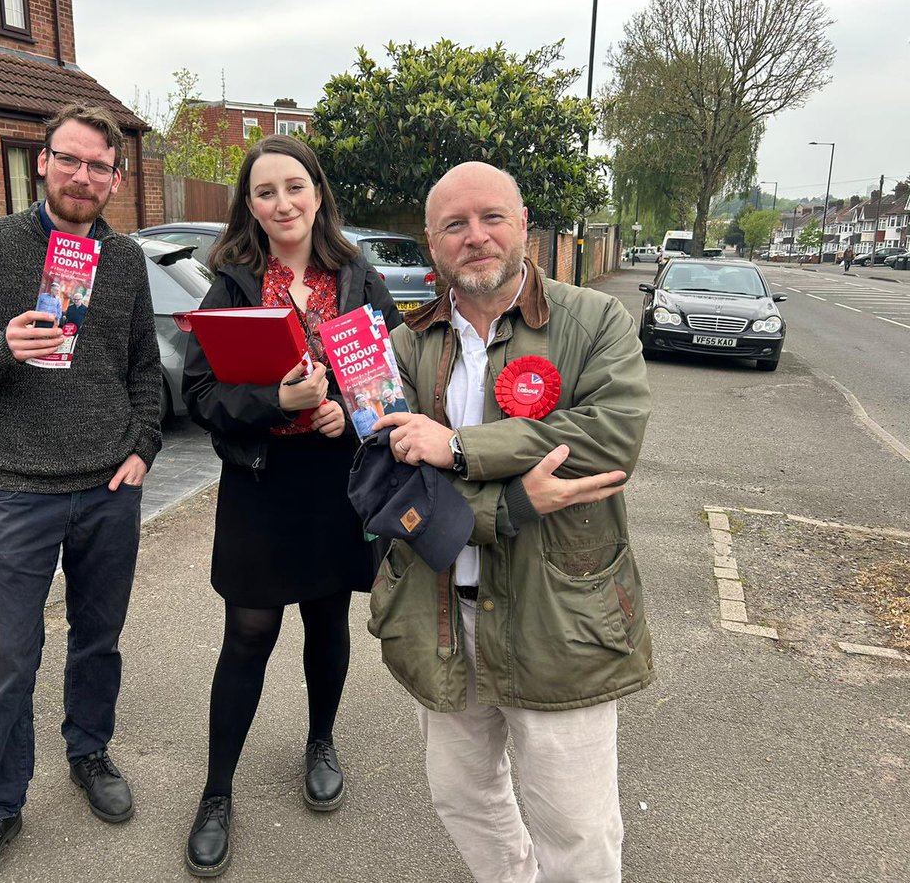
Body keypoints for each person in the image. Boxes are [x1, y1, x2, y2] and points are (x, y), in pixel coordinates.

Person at [370, 161, 654, 883]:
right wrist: (513, 502)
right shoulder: (409, 345)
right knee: (463, 796)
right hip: (443, 612)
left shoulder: (593, 321)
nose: (476, 237)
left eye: (492, 217)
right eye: (454, 225)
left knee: (577, 825)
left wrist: (458, 447)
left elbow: (608, 439)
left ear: (525, 223)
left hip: (556, 614)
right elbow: (395, 486)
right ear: (432, 244)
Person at [0, 102, 163, 883]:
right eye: (71, 160)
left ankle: (89, 754)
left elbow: (144, 369)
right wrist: (3, 346)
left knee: (98, 640)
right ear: (42, 161)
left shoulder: (123, 261)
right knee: (10, 656)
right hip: (20, 492)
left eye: (100, 166)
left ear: (117, 179)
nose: (84, 176)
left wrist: (144, 449)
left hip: (108, 493)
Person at [180, 134, 400, 878]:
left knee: (327, 619)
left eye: (294, 187)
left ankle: (320, 740)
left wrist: (348, 407)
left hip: (338, 485)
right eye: (265, 191)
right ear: (250, 204)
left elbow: (396, 379)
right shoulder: (233, 284)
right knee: (247, 633)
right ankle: (216, 794)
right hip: (263, 484)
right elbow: (201, 395)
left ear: (317, 193)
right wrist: (276, 399)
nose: (282, 203)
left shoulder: (359, 278)